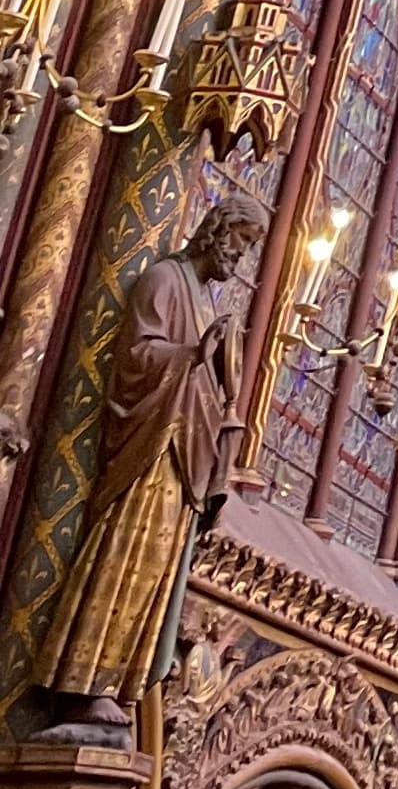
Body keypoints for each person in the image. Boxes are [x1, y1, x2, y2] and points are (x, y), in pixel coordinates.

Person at [33, 195, 265, 720]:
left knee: (154, 574)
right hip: (153, 449)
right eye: (242, 242)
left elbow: (210, 383)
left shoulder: (205, 300)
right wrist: (192, 355)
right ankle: (84, 682)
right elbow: (137, 355)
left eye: (250, 247)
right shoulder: (165, 279)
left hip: (187, 459)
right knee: (125, 555)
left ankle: (118, 685)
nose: (241, 257)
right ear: (219, 230)